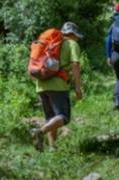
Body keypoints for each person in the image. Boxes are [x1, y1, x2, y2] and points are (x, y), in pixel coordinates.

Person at [30, 22, 83, 151]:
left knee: (51, 118)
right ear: (72, 34)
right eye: (76, 36)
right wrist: (78, 87)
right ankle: (39, 132)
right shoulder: (71, 44)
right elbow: (75, 65)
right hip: (58, 85)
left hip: (41, 84)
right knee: (63, 117)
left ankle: (53, 148)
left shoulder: (49, 43)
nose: (77, 39)